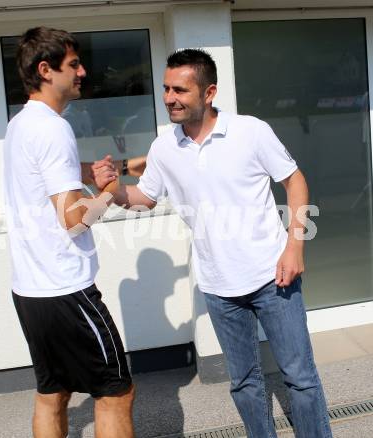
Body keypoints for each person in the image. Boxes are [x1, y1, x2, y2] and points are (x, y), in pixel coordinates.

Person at [94, 49, 333, 437]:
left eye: (180, 90)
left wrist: (295, 247)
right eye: (166, 88)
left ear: (209, 93)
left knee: (300, 379)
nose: (169, 97)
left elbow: (295, 181)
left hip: (274, 277)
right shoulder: (165, 147)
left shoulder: (250, 131)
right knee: (244, 384)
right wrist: (114, 190)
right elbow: (146, 198)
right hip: (219, 287)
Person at [3, 26, 134, 438]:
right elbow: (76, 219)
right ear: (46, 69)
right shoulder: (53, 128)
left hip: (29, 290)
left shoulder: (21, 124)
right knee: (116, 393)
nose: (82, 72)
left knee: (52, 393)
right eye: (73, 64)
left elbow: (45, 180)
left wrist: (86, 173)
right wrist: (110, 192)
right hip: (66, 291)